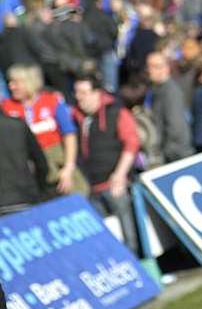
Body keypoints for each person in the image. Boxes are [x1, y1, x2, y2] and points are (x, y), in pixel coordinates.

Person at [72, 74, 140, 253]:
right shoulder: (77, 118)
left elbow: (132, 143)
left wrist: (120, 174)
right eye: (77, 92)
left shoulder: (116, 112)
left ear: (97, 93)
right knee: (103, 241)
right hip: (92, 188)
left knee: (129, 235)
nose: (79, 97)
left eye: (83, 92)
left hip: (114, 183)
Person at [1, 63, 89, 198]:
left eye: (16, 83)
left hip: (57, 162)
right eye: (10, 82)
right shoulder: (7, 107)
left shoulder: (51, 102)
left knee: (77, 196)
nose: (11, 86)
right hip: (28, 169)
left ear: (29, 82)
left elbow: (69, 134)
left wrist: (68, 168)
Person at [146, 50, 195, 162]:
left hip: (176, 154)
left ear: (166, 68)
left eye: (154, 66)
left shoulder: (171, 91)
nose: (149, 70)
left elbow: (175, 125)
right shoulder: (156, 89)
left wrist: (165, 151)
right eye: (148, 66)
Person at [0, 112, 48, 215]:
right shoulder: (18, 125)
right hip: (25, 197)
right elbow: (41, 164)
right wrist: (39, 189)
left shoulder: (18, 125)